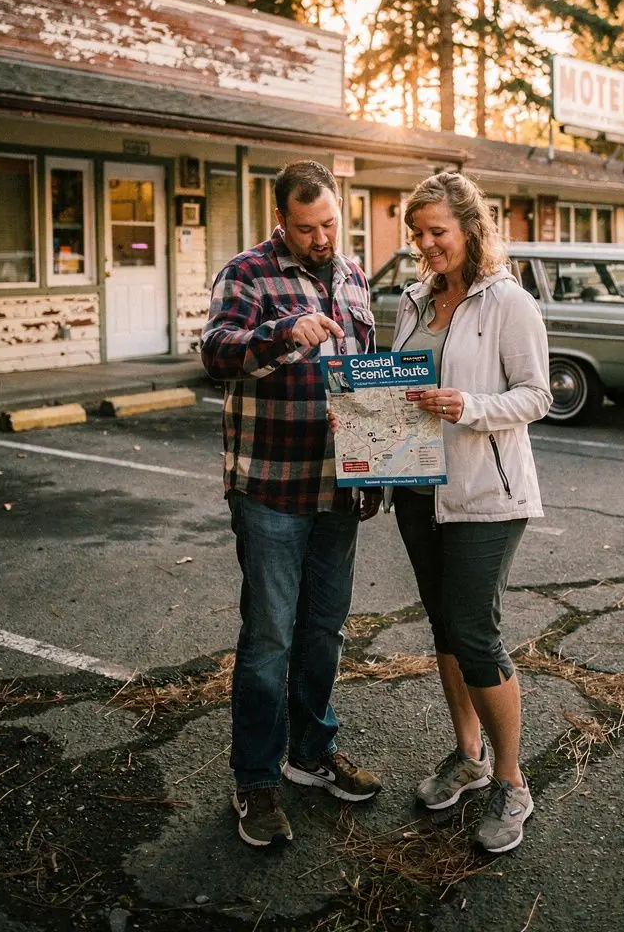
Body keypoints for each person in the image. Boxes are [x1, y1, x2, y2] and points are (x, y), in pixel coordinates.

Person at [201, 160, 382, 849]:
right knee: (270, 635)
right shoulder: (247, 273)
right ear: (282, 221)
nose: (321, 237)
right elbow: (215, 353)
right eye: (307, 228)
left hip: (339, 486)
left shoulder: (354, 273)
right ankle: (255, 779)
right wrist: (281, 335)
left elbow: (363, 375)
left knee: (323, 631)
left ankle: (311, 753)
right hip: (271, 487)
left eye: (331, 223)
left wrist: (377, 468)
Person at [389, 171, 552, 855]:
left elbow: (537, 395)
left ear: (470, 229)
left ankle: (513, 783)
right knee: (446, 629)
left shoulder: (507, 302)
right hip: (417, 487)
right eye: (418, 234)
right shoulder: (415, 302)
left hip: (487, 492)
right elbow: (397, 389)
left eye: (438, 232)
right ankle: (469, 756)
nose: (427, 245)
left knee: (475, 631)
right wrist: (378, 462)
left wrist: (469, 407)